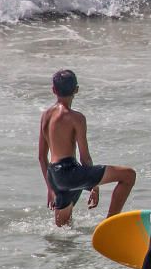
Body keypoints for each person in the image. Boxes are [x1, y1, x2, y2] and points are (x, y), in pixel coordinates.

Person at [37, 70, 136, 227]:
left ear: (53, 90)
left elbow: (42, 157)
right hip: (71, 172)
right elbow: (85, 157)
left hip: (55, 176)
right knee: (129, 175)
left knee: (63, 232)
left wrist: (50, 188)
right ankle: (110, 225)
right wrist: (94, 186)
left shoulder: (46, 115)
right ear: (76, 89)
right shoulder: (76, 118)